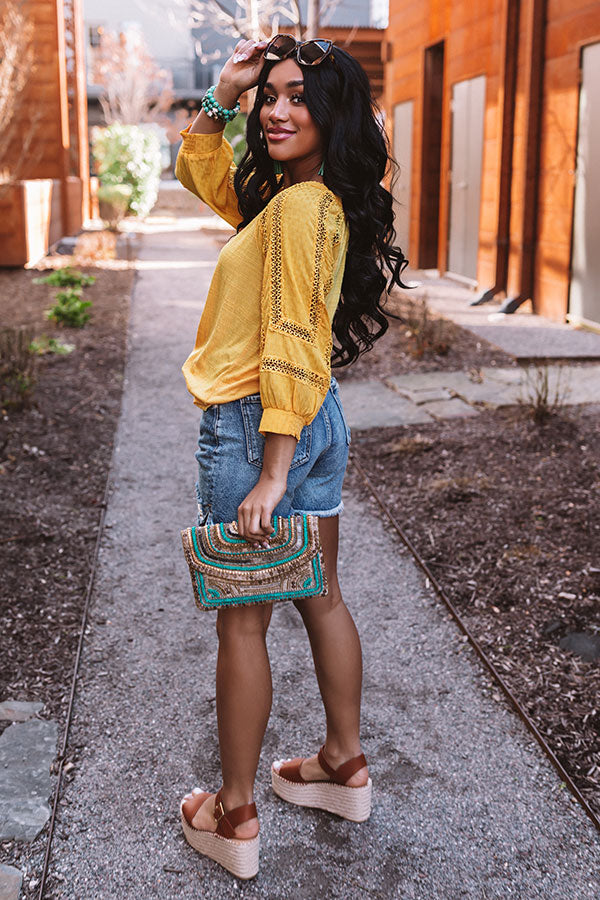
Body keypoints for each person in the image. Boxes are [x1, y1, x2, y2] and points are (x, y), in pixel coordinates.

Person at [175, 33, 407, 880]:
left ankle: (233, 814)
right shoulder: (295, 198)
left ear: (333, 113)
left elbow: (291, 338)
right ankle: (342, 764)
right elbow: (208, 180)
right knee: (322, 594)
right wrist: (222, 92)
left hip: (260, 423)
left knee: (244, 620)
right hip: (312, 415)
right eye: (268, 95)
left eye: (297, 98)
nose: (275, 110)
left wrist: (272, 470)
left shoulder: (302, 209)